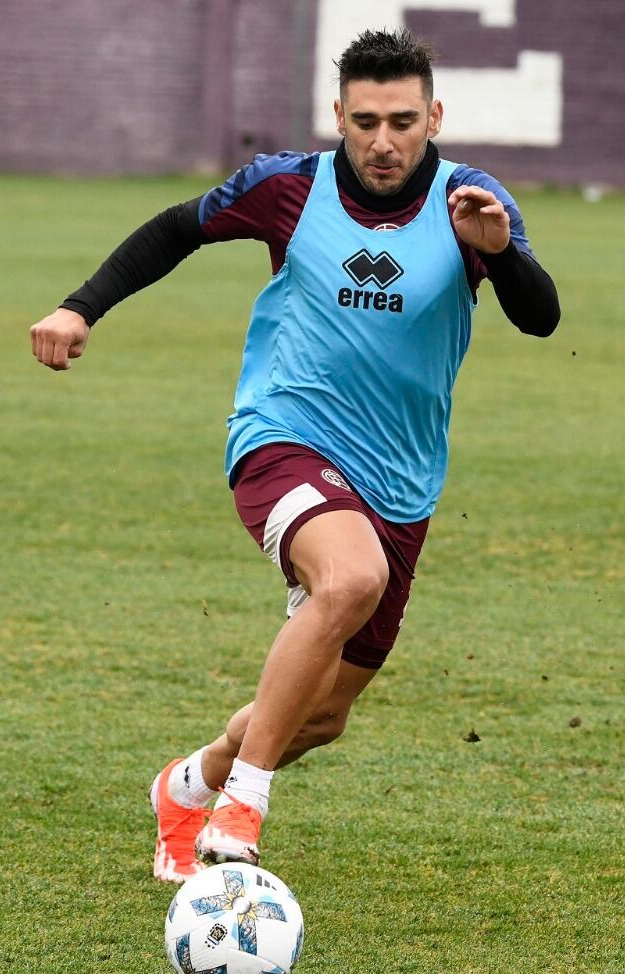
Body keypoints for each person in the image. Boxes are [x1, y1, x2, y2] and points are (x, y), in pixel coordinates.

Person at [27, 29, 560, 882]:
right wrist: (79, 306)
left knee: (320, 717)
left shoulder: (472, 202)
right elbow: (177, 228)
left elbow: (541, 318)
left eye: (403, 121)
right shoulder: (288, 186)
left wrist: (501, 253)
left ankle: (187, 783)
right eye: (366, 121)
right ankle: (242, 808)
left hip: (401, 479)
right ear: (338, 116)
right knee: (350, 579)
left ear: (435, 117)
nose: (384, 141)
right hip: (283, 436)